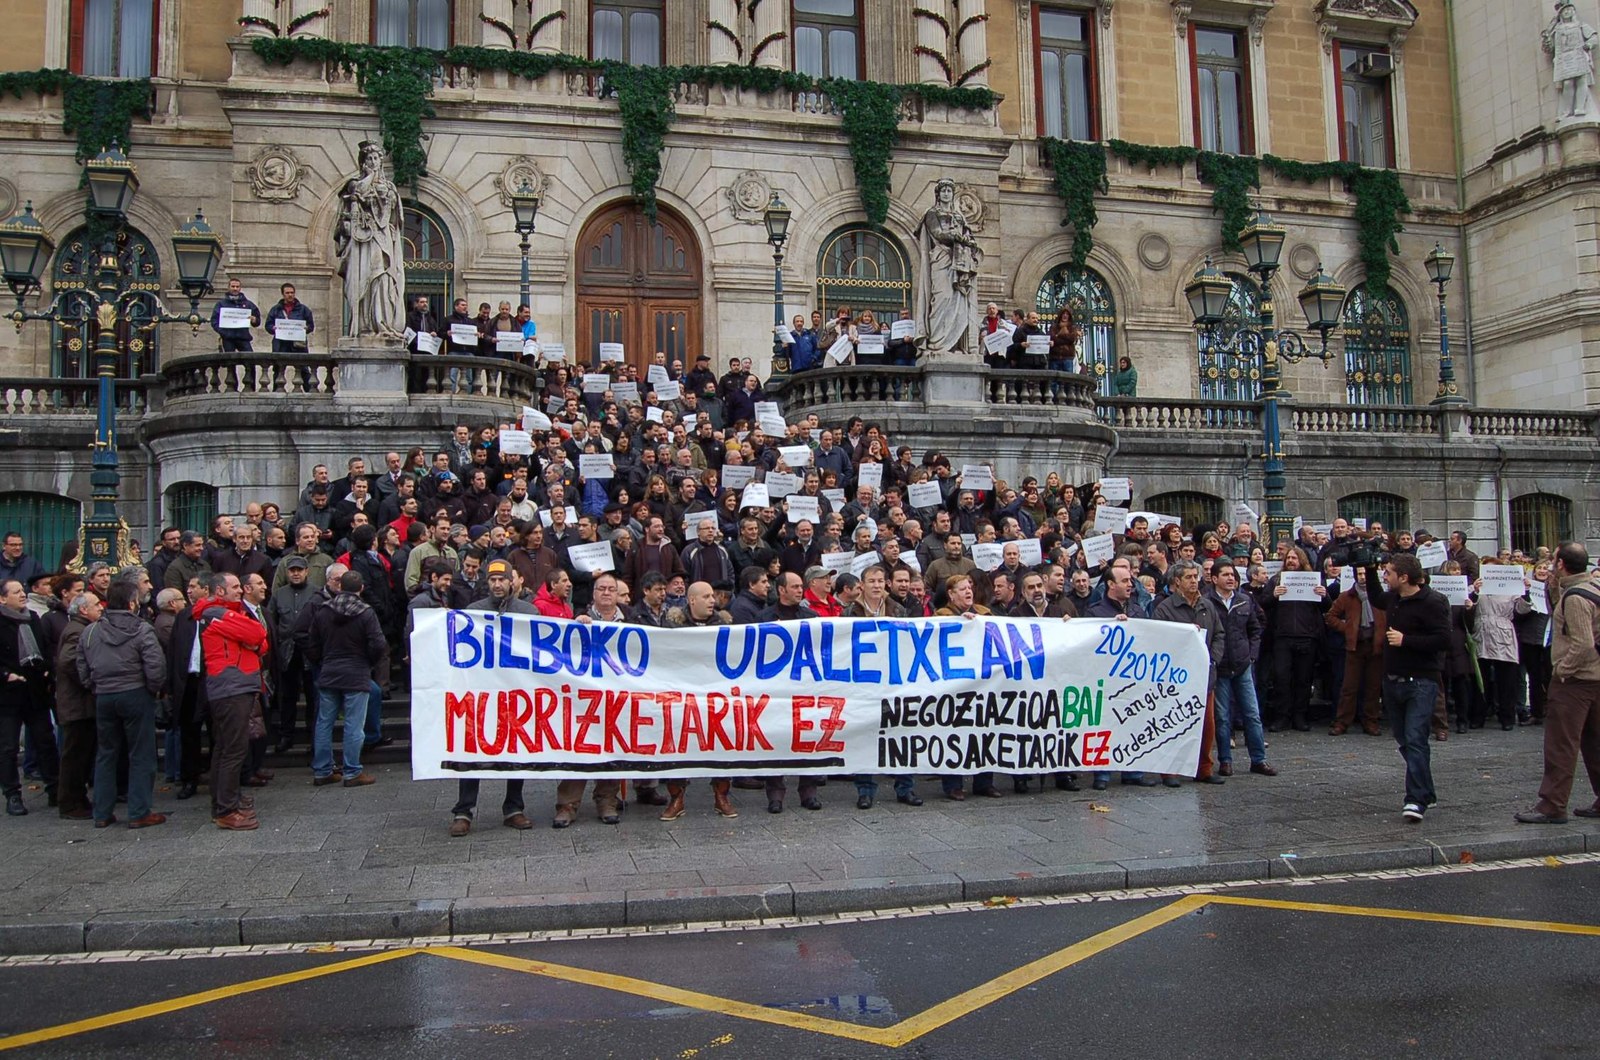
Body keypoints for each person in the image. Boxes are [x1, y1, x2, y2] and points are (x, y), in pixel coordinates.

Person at [449, 558, 538, 836]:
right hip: (482, 694)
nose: (497, 584)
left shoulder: (529, 612)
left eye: (502, 579)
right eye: (492, 580)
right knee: (472, 751)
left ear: (513, 580)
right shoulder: (473, 612)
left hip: (516, 694)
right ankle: (464, 811)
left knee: (517, 752)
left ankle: (514, 808)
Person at [1516, 543, 1600, 824]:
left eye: (1553, 560)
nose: (1550, 564)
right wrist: (1554, 583)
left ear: (1561, 563)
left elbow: (1583, 644)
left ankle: (1552, 804)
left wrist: (1563, 670)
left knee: (1561, 745)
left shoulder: (1575, 598)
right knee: (1595, 742)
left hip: (1576, 681)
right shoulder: (1592, 586)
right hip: (1595, 679)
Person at [77, 578, 168, 829]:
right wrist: (153, 689)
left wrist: (95, 687)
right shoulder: (141, 629)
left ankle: (102, 812)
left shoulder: (91, 630)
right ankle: (139, 811)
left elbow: (82, 666)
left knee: (106, 753)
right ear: (132, 603)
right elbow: (155, 666)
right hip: (135, 692)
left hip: (104, 695)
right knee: (141, 753)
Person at [1369, 553, 1450, 823]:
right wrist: (1368, 568)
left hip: (1421, 681)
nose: (1385, 576)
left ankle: (1415, 800)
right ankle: (1426, 790)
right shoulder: (1393, 598)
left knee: (1415, 738)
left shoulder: (1434, 602)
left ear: (1404, 577)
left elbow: (1443, 639)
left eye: (1388, 573)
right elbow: (1376, 598)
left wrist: (1407, 641)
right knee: (1405, 740)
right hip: (1393, 679)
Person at [196, 573, 270, 830]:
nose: (240, 591)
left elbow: (261, 644)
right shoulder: (216, 613)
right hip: (231, 686)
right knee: (233, 749)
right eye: (235, 587)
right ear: (219, 590)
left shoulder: (225, 613)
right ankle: (226, 808)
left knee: (226, 748)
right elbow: (257, 631)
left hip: (233, 684)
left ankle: (224, 802)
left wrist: (254, 642)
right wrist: (253, 641)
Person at [307, 571, 387, 790]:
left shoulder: (324, 610)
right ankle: (352, 771)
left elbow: (311, 642)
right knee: (354, 724)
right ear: (361, 588)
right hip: (356, 671)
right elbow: (378, 644)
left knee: (324, 723)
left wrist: (322, 660)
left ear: (339, 586)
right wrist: (368, 661)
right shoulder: (365, 612)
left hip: (330, 670)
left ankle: (322, 770)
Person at [1152, 560, 1225, 788]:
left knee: (1206, 725)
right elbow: (1158, 641)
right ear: (1177, 581)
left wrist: (1212, 659)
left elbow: (1219, 635)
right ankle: (1170, 769)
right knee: (1173, 724)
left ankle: (1204, 768)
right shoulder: (1165, 609)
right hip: (1177, 679)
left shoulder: (1207, 605)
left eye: (1196, 576)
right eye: (1189, 577)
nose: (1194, 581)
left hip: (1204, 678)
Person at [1207, 565, 1276, 778]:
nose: (1230, 579)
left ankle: (1259, 759)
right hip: (1221, 665)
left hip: (1243, 663)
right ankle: (1225, 760)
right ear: (1214, 578)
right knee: (1222, 716)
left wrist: (1252, 653)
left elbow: (1256, 628)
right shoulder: (1207, 602)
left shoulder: (1245, 599)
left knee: (1252, 714)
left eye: (1233, 575)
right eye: (1226, 575)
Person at [0, 579, 57, 817]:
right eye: (16, 592)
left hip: (35, 690)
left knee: (45, 740)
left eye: (23, 591)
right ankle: (12, 793)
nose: (22, 595)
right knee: (8, 747)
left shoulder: (33, 618)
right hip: (8, 694)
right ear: (3, 598)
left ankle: (54, 787)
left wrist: (46, 669)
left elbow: (44, 648)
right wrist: (6, 675)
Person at [53, 593, 101, 820]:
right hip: (77, 705)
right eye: (95, 605)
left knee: (81, 753)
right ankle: (70, 802)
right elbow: (68, 661)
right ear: (83, 610)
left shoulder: (80, 628)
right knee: (75, 755)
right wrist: (89, 682)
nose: (100, 608)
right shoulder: (77, 631)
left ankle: (77, 798)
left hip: (80, 704)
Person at [1325, 561, 1385, 736]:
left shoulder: (1379, 596)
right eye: (1359, 574)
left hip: (1375, 645)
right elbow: (1331, 616)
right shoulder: (1347, 596)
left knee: (1373, 687)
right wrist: (1348, 629)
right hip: (1355, 646)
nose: (1363, 577)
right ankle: (1342, 722)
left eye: (1366, 574)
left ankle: (1371, 721)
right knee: (1349, 686)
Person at [210, 277, 261, 353]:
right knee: (229, 362)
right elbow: (214, 320)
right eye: (233, 286)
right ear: (228, 287)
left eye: (237, 287)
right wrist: (222, 332)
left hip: (243, 337)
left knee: (250, 360)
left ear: (240, 288)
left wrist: (254, 320)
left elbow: (257, 320)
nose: (235, 289)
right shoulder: (221, 304)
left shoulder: (248, 304)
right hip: (227, 338)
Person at [265, 282, 315, 353]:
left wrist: (307, 328)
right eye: (287, 293)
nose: (290, 295)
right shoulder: (275, 309)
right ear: (283, 294)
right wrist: (273, 328)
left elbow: (311, 326)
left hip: (298, 345)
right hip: (281, 344)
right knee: (279, 363)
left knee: (301, 363)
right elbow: (268, 325)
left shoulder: (303, 309)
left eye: (292, 293)